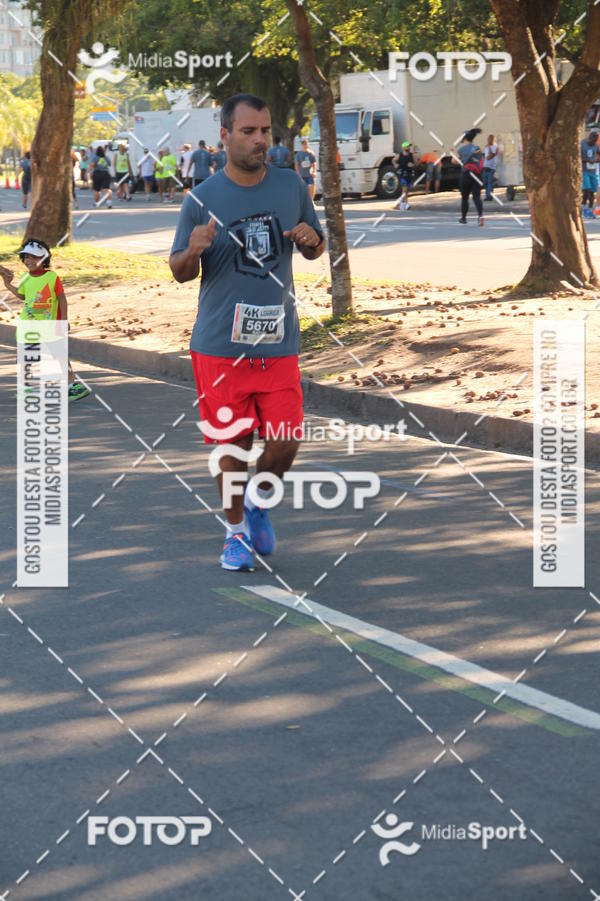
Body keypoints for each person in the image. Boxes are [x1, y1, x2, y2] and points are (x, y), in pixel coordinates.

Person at [169, 93, 325, 572]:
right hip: (219, 348)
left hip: (278, 344)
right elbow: (178, 270)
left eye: (265, 131)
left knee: (286, 441)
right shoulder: (202, 197)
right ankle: (235, 533)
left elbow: (317, 246)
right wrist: (192, 251)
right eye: (249, 132)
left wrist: (309, 239)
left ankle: (258, 502)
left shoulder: (291, 185)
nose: (261, 141)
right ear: (225, 136)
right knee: (232, 444)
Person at [0, 239, 90, 401]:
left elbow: (61, 298)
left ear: (43, 259)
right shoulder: (26, 278)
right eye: (26, 257)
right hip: (28, 324)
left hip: (50, 325)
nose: (29, 261)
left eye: (34, 257)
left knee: (59, 354)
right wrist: (8, 285)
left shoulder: (51, 277)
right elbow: (22, 295)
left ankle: (71, 386)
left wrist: (63, 319)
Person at [457, 128, 484, 226]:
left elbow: (454, 161)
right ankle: (480, 216)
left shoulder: (461, 149)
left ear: (464, 138)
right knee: (477, 197)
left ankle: (463, 218)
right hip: (477, 174)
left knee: (465, 198)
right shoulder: (477, 148)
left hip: (466, 174)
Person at [581, 129, 600, 219]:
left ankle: (590, 210)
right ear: (589, 138)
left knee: (592, 191)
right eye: (592, 140)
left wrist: (596, 160)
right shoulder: (582, 144)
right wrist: (587, 161)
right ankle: (583, 207)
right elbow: (578, 157)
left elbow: (598, 154)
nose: (593, 143)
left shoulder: (596, 146)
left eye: (595, 141)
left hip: (592, 171)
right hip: (584, 170)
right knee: (587, 189)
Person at [392, 141, 414, 210]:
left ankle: (406, 204)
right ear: (404, 147)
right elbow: (393, 160)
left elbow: (415, 163)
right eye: (408, 146)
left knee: (407, 190)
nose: (409, 147)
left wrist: (412, 164)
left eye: (409, 146)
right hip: (402, 174)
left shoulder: (411, 155)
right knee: (404, 189)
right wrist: (395, 164)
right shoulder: (400, 155)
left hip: (409, 173)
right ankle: (403, 204)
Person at [482, 134, 498, 201]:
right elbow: (486, 157)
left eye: (490, 139)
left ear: (493, 139)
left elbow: (491, 156)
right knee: (485, 182)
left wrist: (489, 147)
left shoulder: (495, 147)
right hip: (485, 166)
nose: (488, 141)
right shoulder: (486, 147)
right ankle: (488, 195)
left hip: (492, 167)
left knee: (489, 182)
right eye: (488, 139)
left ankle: (489, 197)